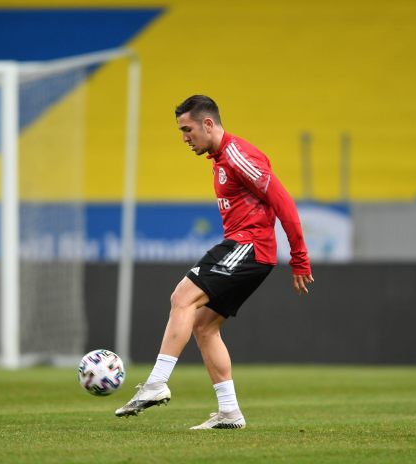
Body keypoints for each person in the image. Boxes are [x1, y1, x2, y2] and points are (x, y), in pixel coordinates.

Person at [115, 95, 314, 429]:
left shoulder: (238, 156)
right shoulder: (220, 158)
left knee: (182, 298)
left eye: (187, 129)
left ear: (208, 124)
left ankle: (156, 383)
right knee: (204, 326)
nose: (184, 138)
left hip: (249, 246)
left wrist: (299, 257)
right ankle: (229, 412)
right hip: (251, 250)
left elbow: (283, 201)